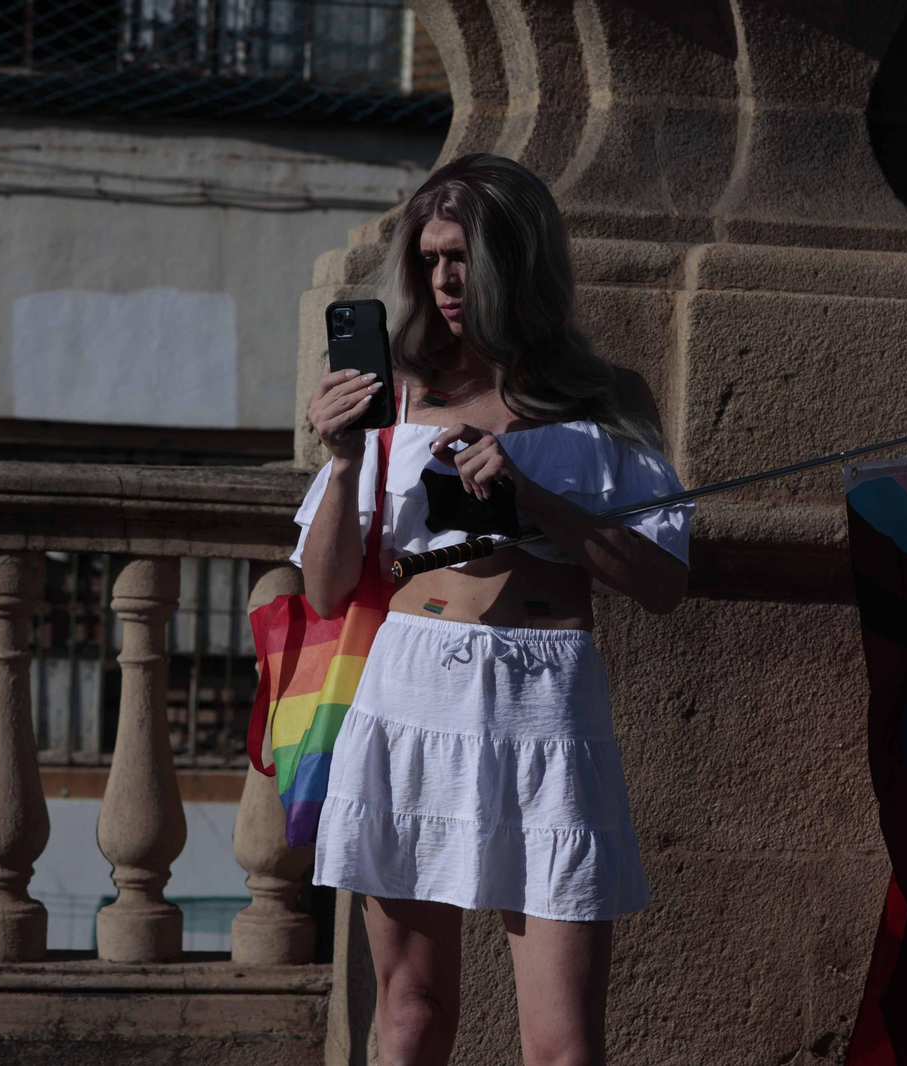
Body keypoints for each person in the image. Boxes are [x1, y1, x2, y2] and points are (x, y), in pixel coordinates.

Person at [291, 153, 691, 1066]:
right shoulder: (393, 390)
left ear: (519, 259)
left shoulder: (603, 399)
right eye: (429, 259)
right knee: (412, 1015)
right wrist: (345, 457)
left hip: (546, 703)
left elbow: (663, 585)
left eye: (463, 257)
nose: (443, 280)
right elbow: (322, 590)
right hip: (412, 691)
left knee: (563, 1046)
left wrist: (531, 497)